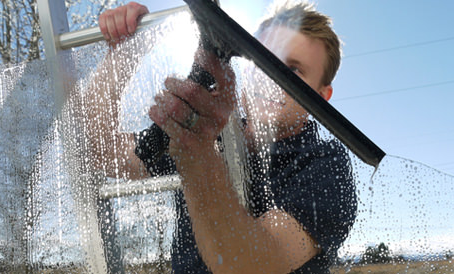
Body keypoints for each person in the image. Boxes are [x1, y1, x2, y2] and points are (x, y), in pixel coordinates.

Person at [87, 1, 356, 273]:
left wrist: (197, 151)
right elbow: (98, 151)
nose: (272, 78)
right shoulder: (210, 127)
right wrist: (125, 49)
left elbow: (250, 265)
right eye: (265, 60)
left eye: (294, 70)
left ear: (322, 97)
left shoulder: (326, 164)